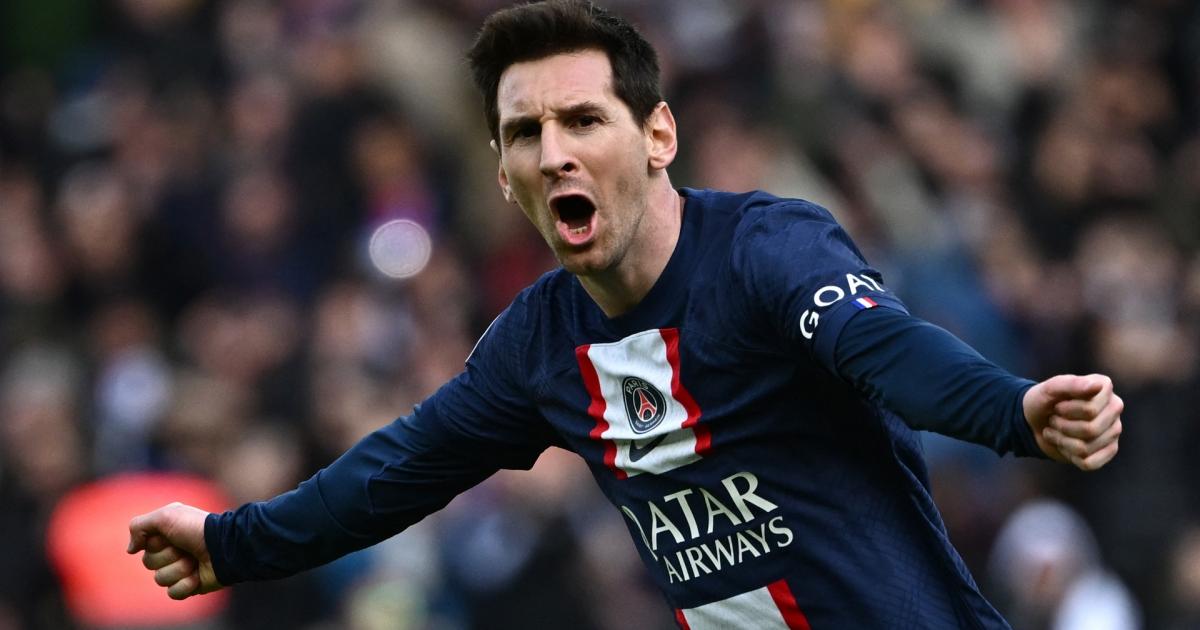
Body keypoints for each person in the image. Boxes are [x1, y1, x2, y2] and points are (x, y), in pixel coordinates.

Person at [127, 1, 1124, 627]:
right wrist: (233, 542)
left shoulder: (764, 251)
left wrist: (1013, 411)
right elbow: (392, 472)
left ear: (658, 136)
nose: (554, 151)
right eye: (525, 133)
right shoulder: (535, 348)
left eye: (582, 120)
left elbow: (884, 347)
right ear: (504, 174)